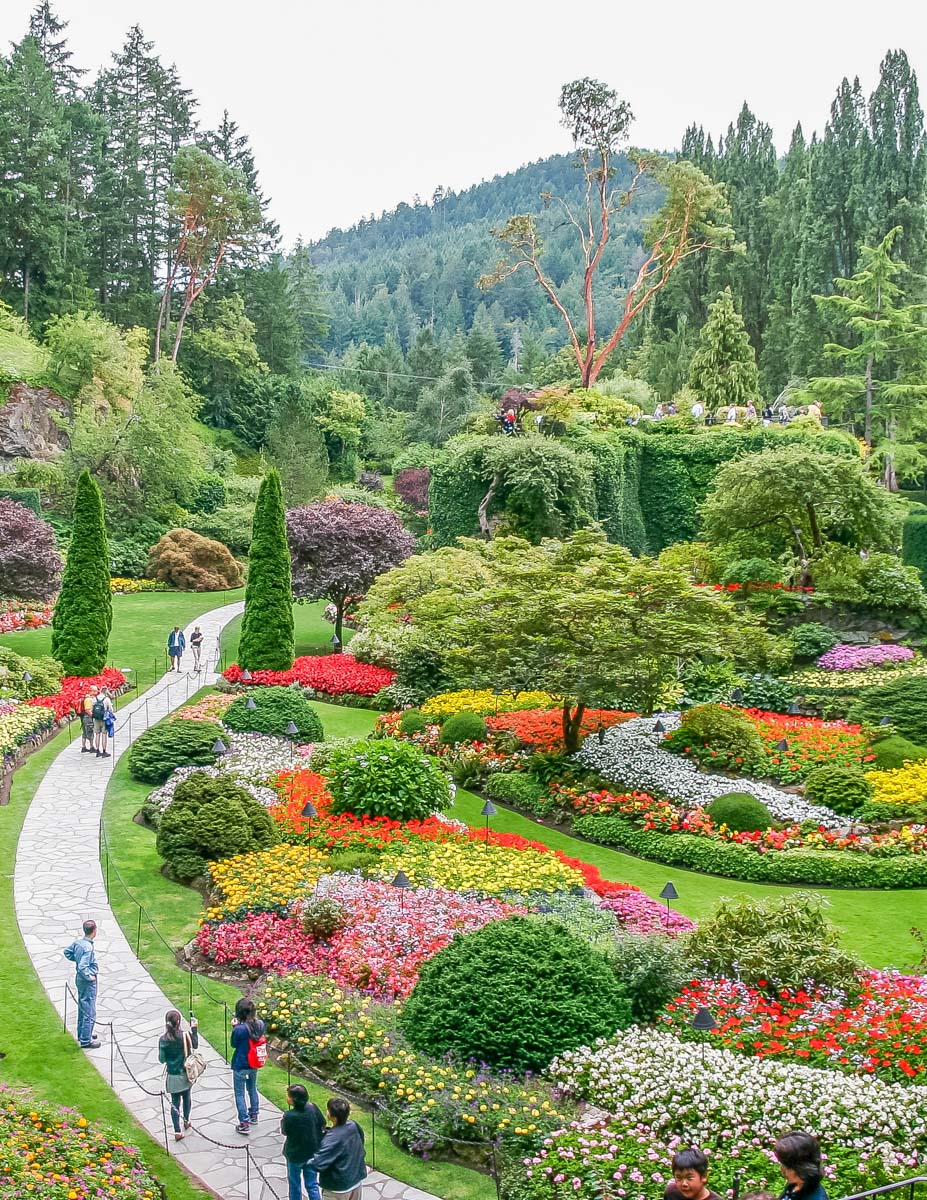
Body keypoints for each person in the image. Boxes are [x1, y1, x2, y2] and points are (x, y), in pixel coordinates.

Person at [307, 1097, 367, 1200]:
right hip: (356, 1181)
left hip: (337, 1188)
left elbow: (318, 1164)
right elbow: (361, 1142)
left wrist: (308, 1162)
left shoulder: (331, 1139)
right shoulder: (354, 1125)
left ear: (331, 1115)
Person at [159, 1009, 199, 1140]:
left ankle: (177, 1131)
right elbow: (195, 1045)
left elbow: (161, 1059)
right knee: (187, 1098)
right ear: (179, 1022)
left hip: (172, 1075)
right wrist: (194, 1029)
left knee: (175, 1103)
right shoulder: (185, 1035)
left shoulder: (163, 1040)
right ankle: (186, 1121)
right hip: (185, 1074)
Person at [281, 1084, 326, 1200]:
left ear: (293, 1100)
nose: (287, 1098)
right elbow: (322, 1123)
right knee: (312, 1184)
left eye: (289, 1096)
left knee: (295, 1183)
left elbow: (285, 1131)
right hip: (312, 1153)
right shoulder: (313, 1108)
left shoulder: (289, 1116)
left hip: (295, 1155)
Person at [230, 998, 266, 1134]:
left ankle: (244, 1123)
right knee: (252, 1088)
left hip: (240, 1064)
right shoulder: (260, 1024)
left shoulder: (239, 1029)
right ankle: (254, 1114)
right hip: (254, 1062)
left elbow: (234, 1044)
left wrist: (235, 1027)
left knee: (239, 1093)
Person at [63, 919, 99, 1049]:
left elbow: (67, 952)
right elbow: (83, 966)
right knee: (89, 1009)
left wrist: (76, 960)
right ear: (94, 930)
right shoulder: (88, 948)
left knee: (83, 1007)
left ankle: (84, 1033)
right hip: (86, 981)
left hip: (79, 979)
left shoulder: (79, 943)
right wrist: (90, 977)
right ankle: (86, 1040)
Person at [775, 1131, 828, 1200]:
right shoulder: (796, 1185)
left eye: (786, 1165)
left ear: (800, 1169)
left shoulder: (815, 1197)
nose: (782, 1170)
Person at [92, 689, 112, 759]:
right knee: (104, 735)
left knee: (97, 734)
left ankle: (97, 751)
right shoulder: (106, 699)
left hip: (96, 719)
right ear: (106, 692)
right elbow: (110, 710)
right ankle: (104, 751)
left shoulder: (95, 698)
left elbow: (92, 709)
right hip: (104, 719)